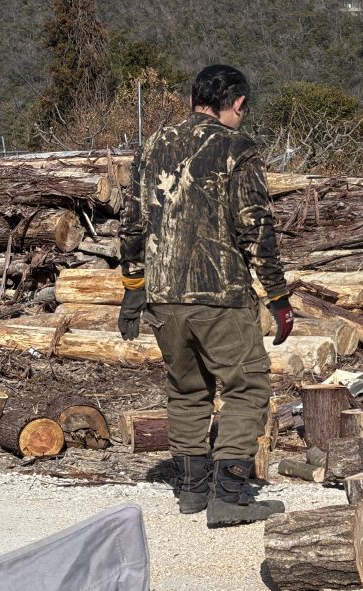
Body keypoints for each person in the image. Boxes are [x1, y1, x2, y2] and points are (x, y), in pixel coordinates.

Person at [118, 64, 294, 527]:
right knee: (247, 388)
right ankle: (231, 494)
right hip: (220, 294)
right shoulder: (238, 147)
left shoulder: (153, 145)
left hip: (163, 296)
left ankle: (193, 490)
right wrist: (278, 296)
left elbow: (131, 223)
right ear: (236, 103)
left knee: (187, 390)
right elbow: (256, 227)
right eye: (244, 108)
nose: (243, 115)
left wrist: (133, 290)